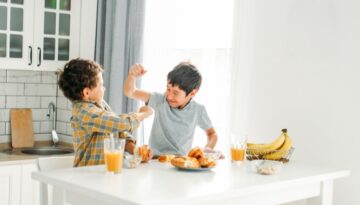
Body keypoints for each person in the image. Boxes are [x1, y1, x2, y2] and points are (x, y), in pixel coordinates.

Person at [58, 58, 153, 167]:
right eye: (101, 85)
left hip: (106, 173)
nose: (104, 89)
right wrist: (143, 114)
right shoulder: (84, 112)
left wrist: (136, 150)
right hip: (87, 176)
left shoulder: (100, 104)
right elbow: (119, 123)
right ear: (86, 92)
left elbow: (118, 131)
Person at [124, 62, 219, 156]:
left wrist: (208, 148)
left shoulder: (198, 110)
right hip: (154, 160)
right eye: (168, 89)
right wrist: (132, 76)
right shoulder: (160, 100)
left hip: (180, 163)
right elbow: (130, 92)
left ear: (192, 93)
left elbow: (212, 134)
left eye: (175, 93)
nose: (169, 96)